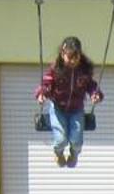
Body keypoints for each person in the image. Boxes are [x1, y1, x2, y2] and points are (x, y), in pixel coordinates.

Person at [36, 36, 104, 167]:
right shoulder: (55, 69)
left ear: (80, 55)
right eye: (69, 57)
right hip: (58, 108)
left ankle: (74, 154)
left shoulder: (84, 70)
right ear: (62, 54)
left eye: (76, 57)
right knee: (61, 140)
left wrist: (95, 94)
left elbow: (91, 85)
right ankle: (59, 153)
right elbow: (46, 83)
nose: (72, 61)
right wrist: (42, 94)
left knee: (76, 141)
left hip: (76, 109)